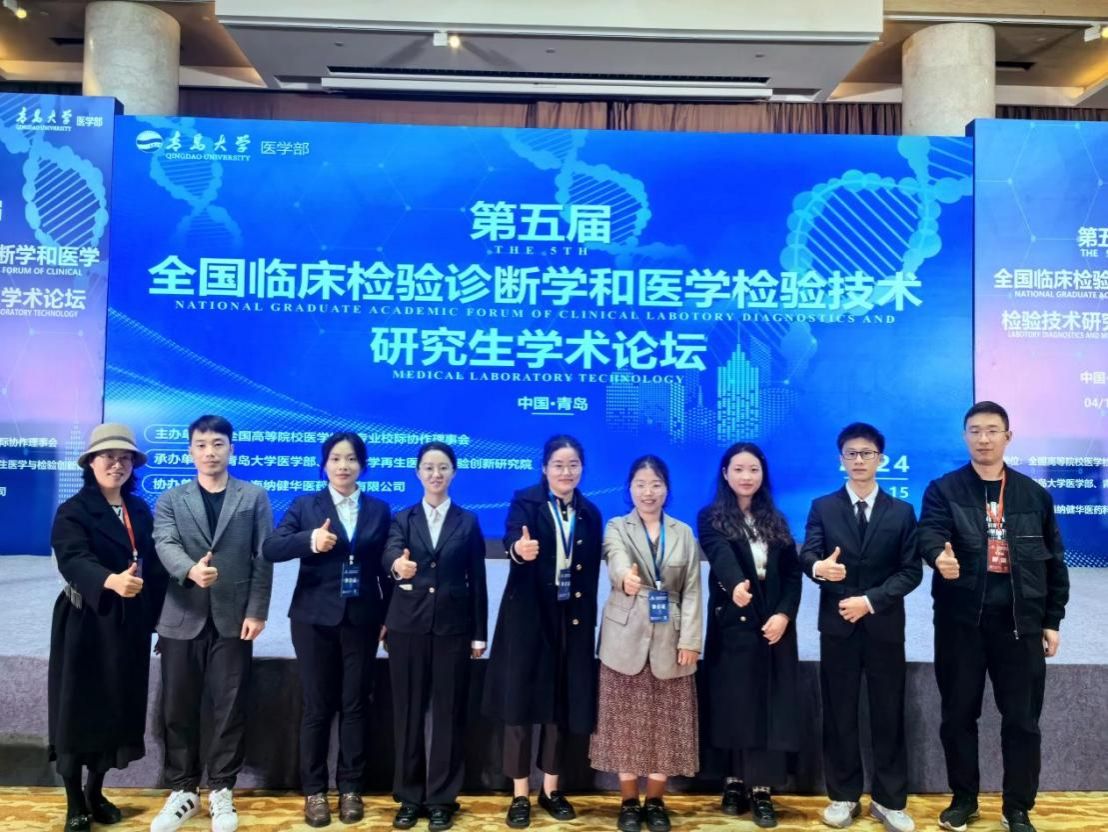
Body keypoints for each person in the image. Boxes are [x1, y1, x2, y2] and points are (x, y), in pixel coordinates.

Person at [919, 402, 1069, 832]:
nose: (983, 438)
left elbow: (1054, 562)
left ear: (1008, 436)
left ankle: (1017, 807)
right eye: (974, 430)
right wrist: (938, 557)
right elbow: (929, 533)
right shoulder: (944, 489)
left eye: (991, 430)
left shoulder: (1033, 495)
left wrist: (1052, 619)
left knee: (1022, 721)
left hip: (1019, 624)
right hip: (961, 623)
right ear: (965, 436)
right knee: (958, 716)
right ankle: (964, 799)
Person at [149, 415, 274, 832]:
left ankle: (221, 788)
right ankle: (183, 789)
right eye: (201, 445)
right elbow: (164, 543)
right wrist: (190, 570)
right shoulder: (171, 499)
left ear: (231, 449)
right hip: (180, 615)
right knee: (177, 706)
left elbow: (262, 558)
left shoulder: (253, 496)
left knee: (229, 705)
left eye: (218, 444)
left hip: (234, 618)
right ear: (190, 451)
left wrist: (257, 610)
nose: (210, 452)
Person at [262, 431, 392, 828]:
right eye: (335, 458)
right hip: (313, 619)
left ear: (362, 466)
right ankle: (315, 791)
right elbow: (271, 548)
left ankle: (350, 788)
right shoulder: (306, 505)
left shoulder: (379, 509)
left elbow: (384, 565)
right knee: (317, 707)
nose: (343, 466)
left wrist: (387, 615)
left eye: (351, 459)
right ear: (324, 465)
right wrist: (310, 540)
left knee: (355, 705)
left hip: (363, 619)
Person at [799, 423, 921, 832]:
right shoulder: (823, 507)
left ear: (880, 459)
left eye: (866, 453)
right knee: (839, 714)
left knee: (889, 714)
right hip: (838, 629)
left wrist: (869, 601)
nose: (859, 460)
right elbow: (809, 554)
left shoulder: (902, 512)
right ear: (841, 460)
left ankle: (890, 801)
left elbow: (910, 571)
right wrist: (819, 567)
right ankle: (843, 796)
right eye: (851, 454)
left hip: (884, 627)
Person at [48, 423, 167, 832]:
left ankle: (95, 792)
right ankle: (73, 800)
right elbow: (72, 558)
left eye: (125, 458)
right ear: (91, 463)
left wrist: (159, 622)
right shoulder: (74, 511)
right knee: (77, 709)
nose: (117, 465)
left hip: (129, 624)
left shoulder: (140, 510)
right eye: (108, 457)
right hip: (85, 621)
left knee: (116, 707)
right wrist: (109, 580)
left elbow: (154, 566)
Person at [482, 435, 603, 829]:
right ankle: (520, 793)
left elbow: (591, 575)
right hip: (528, 621)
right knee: (519, 708)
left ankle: (551, 789)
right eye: (558, 465)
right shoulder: (527, 502)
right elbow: (512, 540)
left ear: (582, 468)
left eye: (573, 465)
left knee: (560, 708)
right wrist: (519, 551)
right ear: (544, 468)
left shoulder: (590, 513)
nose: (566, 472)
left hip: (571, 622)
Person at [590, 455, 702, 832]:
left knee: (665, 726)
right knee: (624, 725)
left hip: (671, 639)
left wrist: (691, 639)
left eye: (655, 484)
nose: (648, 492)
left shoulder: (683, 533)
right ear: (630, 488)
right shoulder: (616, 526)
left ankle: (655, 800)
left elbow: (692, 590)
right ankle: (628, 801)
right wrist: (626, 578)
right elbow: (616, 559)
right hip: (624, 638)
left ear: (666, 489)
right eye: (640, 484)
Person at [382, 441, 489, 832]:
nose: (435, 474)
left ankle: (443, 799)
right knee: (408, 714)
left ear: (453, 473)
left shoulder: (468, 522)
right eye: (428, 467)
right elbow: (390, 555)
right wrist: (397, 566)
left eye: (443, 467)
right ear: (418, 473)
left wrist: (479, 634)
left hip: (453, 630)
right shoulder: (402, 518)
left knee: (448, 714)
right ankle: (409, 798)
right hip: (407, 628)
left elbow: (477, 581)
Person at [698, 442, 801, 830]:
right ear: (725, 474)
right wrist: (735, 584)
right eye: (738, 469)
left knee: (769, 707)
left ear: (762, 475)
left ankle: (762, 789)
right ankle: (733, 782)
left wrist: (784, 615)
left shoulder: (776, 520)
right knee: (734, 705)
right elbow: (720, 555)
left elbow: (792, 575)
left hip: (773, 627)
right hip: (734, 623)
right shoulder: (711, 517)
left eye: (753, 469)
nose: (746, 476)